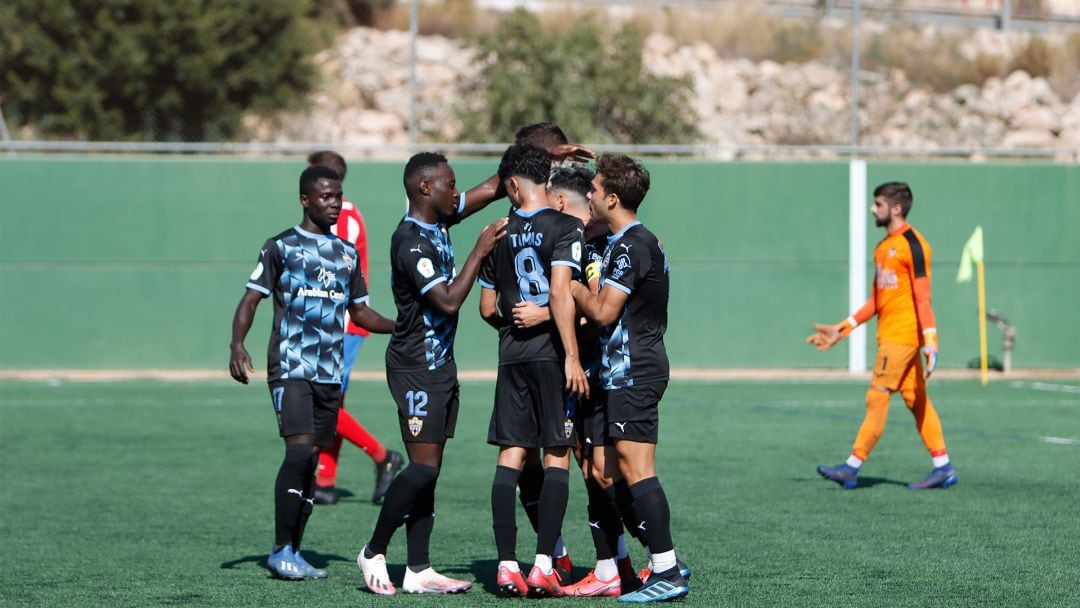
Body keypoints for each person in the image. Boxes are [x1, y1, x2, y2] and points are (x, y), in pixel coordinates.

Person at [228, 165, 395, 580]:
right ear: (305, 200)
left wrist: (401, 324)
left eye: (338, 196)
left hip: (328, 372)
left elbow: (360, 312)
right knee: (299, 452)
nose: (334, 203)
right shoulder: (281, 247)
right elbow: (251, 300)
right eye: (325, 196)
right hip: (290, 365)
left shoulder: (346, 253)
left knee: (311, 461)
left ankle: (293, 551)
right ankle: (281, 548)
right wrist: (237, 344)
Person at [356, 152, 508, 595]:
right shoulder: (409, 242)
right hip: (413, 367)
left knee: (431, 469)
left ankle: (419, 570)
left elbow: (490, 188)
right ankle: (374, 549)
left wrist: (534, 152)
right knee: (421, 469)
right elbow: (446, 301)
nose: (456, 192)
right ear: (425, 188)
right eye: (449, 184)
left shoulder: (440, 220)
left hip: (439, 366)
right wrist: (480, 251)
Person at [511, 163, 641, 597]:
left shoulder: (596, 243)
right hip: (582, 371)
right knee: (593, 469)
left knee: (603, 471)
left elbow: (598, 306)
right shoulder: (583, 239)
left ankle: (636, 560)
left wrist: (548, 311)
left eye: (548, 198)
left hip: (596, 371)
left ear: (561, 202)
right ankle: (616, 566)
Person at [570, 154, 691, 603]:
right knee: (609, 469)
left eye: (596, 189)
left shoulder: (631, 245)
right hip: (620, 370)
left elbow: (603, 311)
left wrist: (568, 283)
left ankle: (667, 570)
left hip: (634, 370)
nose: (590, 195)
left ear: (613, 198)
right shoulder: (633, 241)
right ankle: (655, 564)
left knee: (638, 469)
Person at [478, 143, 589, 597]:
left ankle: (507, 566)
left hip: (512, 355)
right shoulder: (566, 226)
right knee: (556, 454)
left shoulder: (497, 231)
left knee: (510, 455)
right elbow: (562, 294)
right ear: (542, 181)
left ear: (511, 184)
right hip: (550, 354)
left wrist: (513, 322)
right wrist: (571, 354)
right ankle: (544, 563)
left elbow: (488, 307)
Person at [808, 181, 957, 491]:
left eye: (878, 204)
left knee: (876, 397)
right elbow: (877, 300)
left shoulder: (914, 245)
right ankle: (943, 467)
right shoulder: (882, 247)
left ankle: (851, 467)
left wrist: (931, 341)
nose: (872, 209)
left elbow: (923, 299)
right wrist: (841, 329)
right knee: (917, 401)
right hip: (890, 336)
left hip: (901, 339)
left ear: (896, 208)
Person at [305, 151, 404, 507]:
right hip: (330, 324)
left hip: (343, 324)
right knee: (332, 401)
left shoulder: (343, 217)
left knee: (324, 403)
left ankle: (383, 456)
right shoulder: (329, 214)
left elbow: (338, 271)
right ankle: (326, 481)